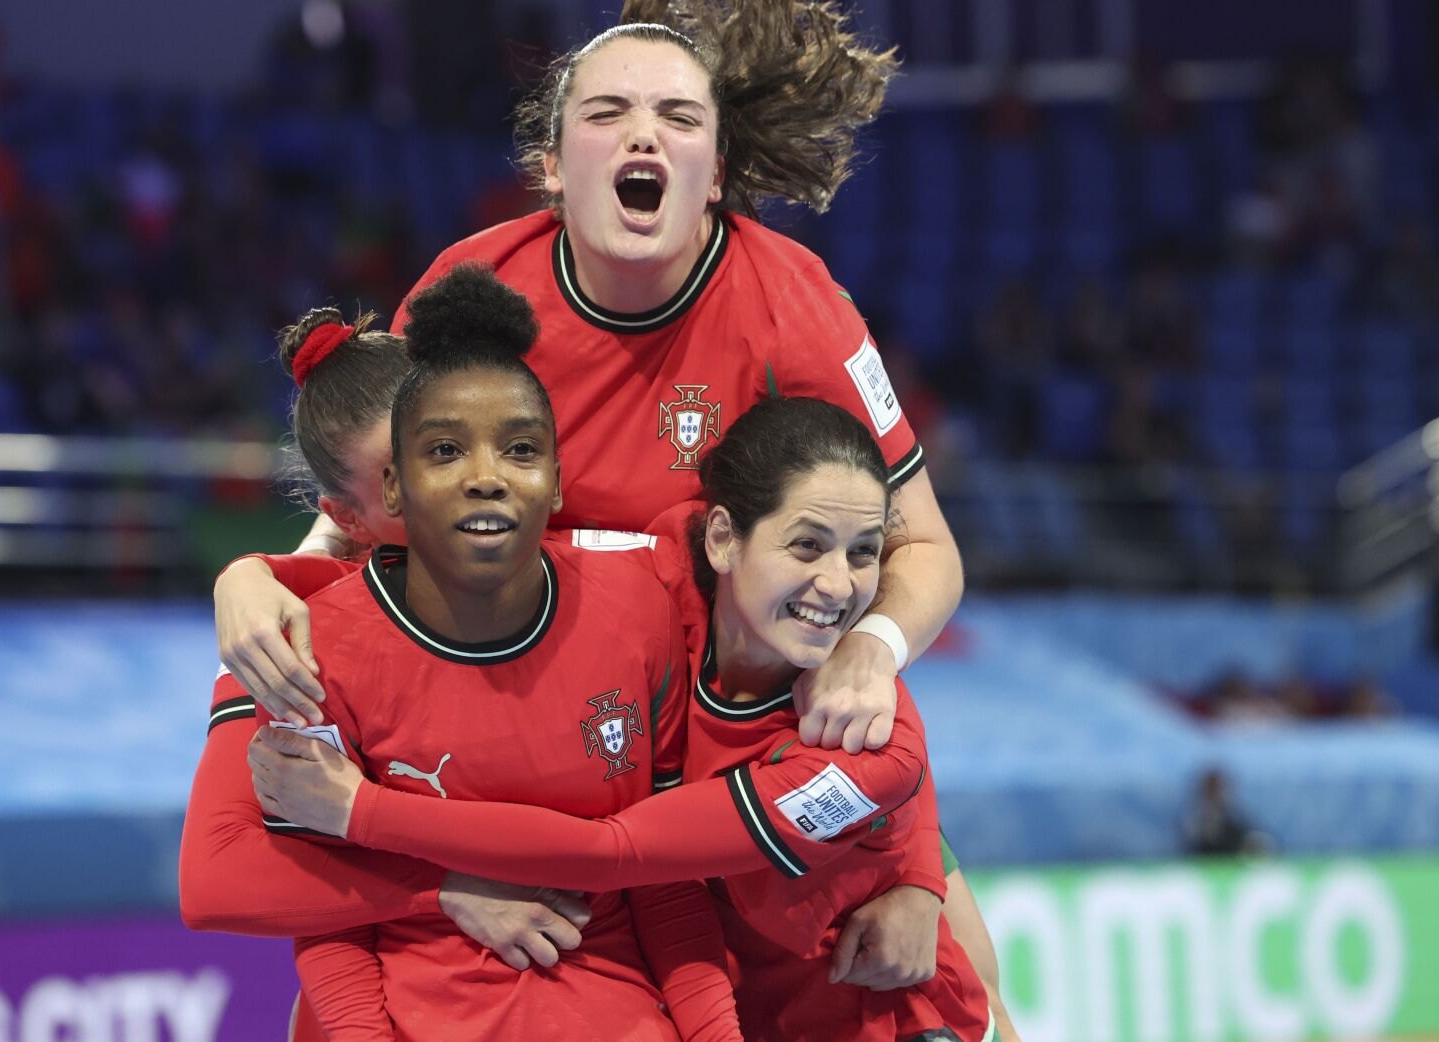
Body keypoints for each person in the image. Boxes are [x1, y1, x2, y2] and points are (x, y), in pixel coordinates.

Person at [214, 2, 1011, 1015]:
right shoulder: (471, 297)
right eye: (608, 112)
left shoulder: (796, 305)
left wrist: (874, 656)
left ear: (715, 174)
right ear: (549, 164)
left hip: (739, 770)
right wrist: (258, 576)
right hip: (538, 781)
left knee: (970, 988)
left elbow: (923, 548)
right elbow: (375, 509)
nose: (644, 133)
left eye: (679, 116)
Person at [254, 394, 993, 1042]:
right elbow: (454, 541)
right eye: (807, 545)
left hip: (879, 1018)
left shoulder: (871, 748)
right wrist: (255, 581)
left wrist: (360, 812)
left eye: (865, 554)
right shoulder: (643, 582)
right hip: (721, 1003)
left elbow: (618, 854)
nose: (839, 584)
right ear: (723, 538)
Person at [181, 278, 737, 1041]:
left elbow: (664, 864)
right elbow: (220, 878)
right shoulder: (289, 635)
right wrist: (443, 888)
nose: (478, 480)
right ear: (359, 507)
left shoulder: (627, 593)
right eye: (435, 455)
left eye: (499, 444)